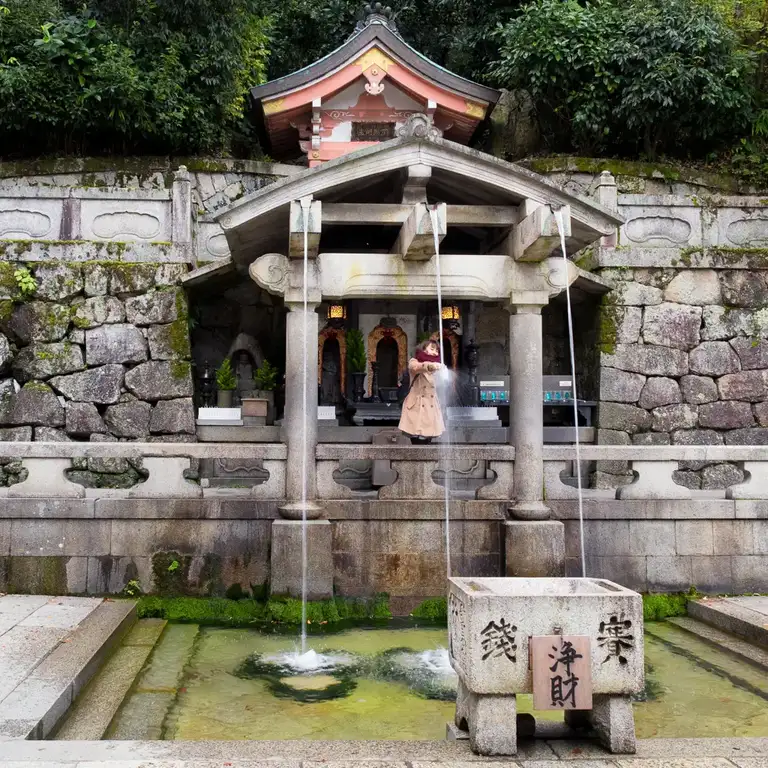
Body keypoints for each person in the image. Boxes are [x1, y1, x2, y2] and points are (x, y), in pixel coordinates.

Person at [398, 338, 445, 444]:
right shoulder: (414, 361)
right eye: (432, 349)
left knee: (428, 440)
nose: (435, 352)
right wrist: (429, 366)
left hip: (432, 407)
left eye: (437, 350)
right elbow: (415, 367)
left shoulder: (438, 366)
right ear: (423, 349)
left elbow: (441, 385)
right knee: (416, 441)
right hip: (417, 406)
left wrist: (444, 372)